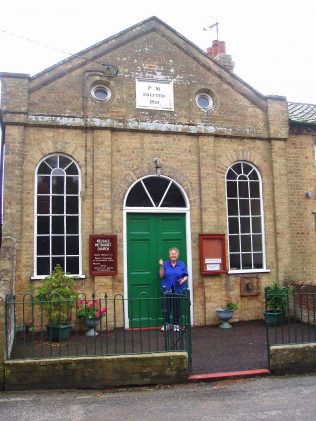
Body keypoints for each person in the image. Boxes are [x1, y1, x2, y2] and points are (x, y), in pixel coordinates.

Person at [159, 247, 188, 332]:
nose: (173, 255)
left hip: (178, 288)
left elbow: (186, 275)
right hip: (167, 288)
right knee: (166, 308)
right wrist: (161, 266)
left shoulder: (182, 264)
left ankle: (176, 325)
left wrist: (183, 280)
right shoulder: (165, 264)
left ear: (177, 255)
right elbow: (161, 276)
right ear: (169, 255)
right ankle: (166, 324)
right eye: (172, 254)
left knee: (177, 307)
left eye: (175, 253)